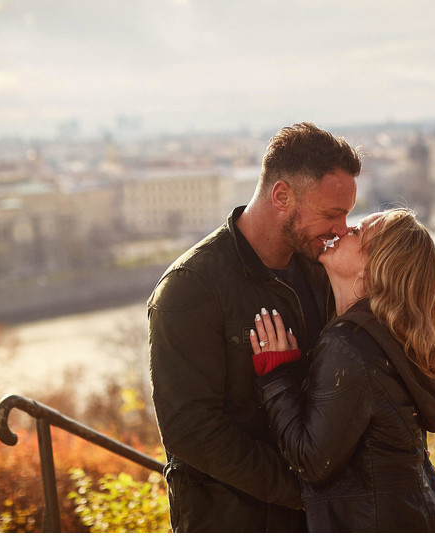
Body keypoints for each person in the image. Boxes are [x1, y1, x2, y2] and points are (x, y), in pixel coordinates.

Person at [147, 122, 362, 532]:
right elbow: (190, 431)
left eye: (347, 215)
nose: (341, 230)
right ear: (281, 195)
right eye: (332, 214)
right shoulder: (191, 287)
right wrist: (305, 491)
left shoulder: (322, 269)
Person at [249, 208, 435, 532]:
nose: (342, 231)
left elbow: (313, 462)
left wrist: (276, 375)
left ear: (372, 271)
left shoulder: (350, 345)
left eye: (357, 233)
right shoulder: (384, 339)